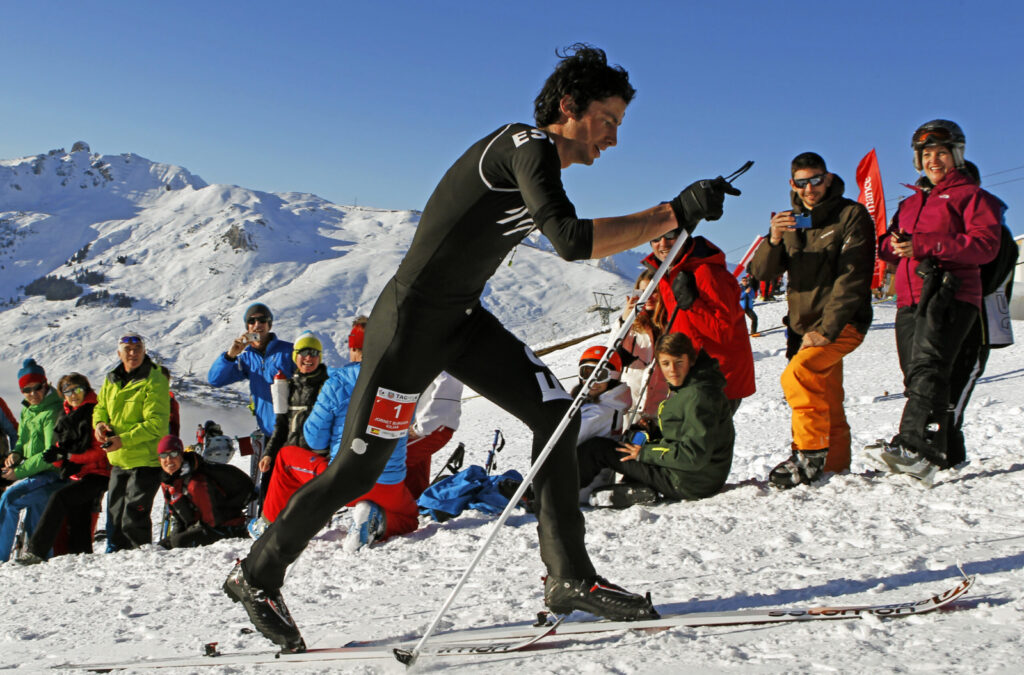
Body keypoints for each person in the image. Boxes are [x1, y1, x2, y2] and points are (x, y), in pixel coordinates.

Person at [223, 43, 741, 652]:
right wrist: (673, 212)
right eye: (608, 120)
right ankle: (256, 575)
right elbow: (570, 240)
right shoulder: (527, 145)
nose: (613, 138)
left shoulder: (540, 160)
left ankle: (569, 577)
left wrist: (674, 215)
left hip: (461, 321)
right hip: (408, 331)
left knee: (556, 416)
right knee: (357, 468)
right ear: (569, 107)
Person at [869, 121, 1002, 483]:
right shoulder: (910, 202)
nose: (934, 160)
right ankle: (944, 452)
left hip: (950, 292)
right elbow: (889, 248)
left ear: (956, 155)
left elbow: (986, 246)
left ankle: (915, 447)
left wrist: (926, 245)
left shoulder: (973, 197)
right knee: (918, 375)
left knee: (929, 368)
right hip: (909, 297)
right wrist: (892, 244)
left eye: (942, 153)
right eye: (926, 154)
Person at [750, 152, 875, 489]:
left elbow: (852, 278)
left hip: (841, 323)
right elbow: (762, 273)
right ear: (792, 184)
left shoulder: (850, 215)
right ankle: (834, 469)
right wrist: (773, 239)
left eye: (816, 180)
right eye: (802, 182)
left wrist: (825, 330)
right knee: (826, 398)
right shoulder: (791, 222)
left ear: (828, 178)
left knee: (800, 374)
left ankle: (808, 454)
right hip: (801, 328)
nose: (809, 189)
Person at [577, 333, 734, 508]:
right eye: (666, 364)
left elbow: (693, 455)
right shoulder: (690, 387)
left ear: (690, 360)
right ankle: (632, 486)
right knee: (634, 436)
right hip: (695, 476)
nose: (672, 370)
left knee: (597, 449)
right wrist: (654, 430)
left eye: (679, 362)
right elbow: (685, 433)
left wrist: (644, 453)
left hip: (688, 481)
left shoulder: (698, 396)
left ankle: (565, 492)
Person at [301, 359, 419, 553]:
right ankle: (376, 519)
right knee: (409, 519)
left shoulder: (338, 381)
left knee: (287, 458)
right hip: (388, 481)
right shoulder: (406, 380)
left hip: (344, 480)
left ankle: (273, 522)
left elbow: (315, 440)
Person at [945, 161, 1016, 467]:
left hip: (979, 324)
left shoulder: (996, 231)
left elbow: (990, 280)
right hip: (946, 320)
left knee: (960, 381)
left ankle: (948, 450)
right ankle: (943, 448)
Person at [644, 230, 755, 411]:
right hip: (690, 375)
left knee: (701, 429)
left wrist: (693, 304)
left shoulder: (707, 272)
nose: (663, 243)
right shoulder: (668, 273)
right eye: (655, 237)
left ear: (684, 236)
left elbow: (725, 332)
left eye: (670, 235)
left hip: (717, 380)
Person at [16, 373, 111, 564]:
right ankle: (81, 558)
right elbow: (62, 449)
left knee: (59, 498)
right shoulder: (66, 414)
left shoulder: (95, 412)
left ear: (85, 389)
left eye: (77, 390)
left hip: (98, 473)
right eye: (68, 391)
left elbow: (99, 452)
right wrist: (57, 458)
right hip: (76, 474)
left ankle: (36, 551)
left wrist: (67, 456)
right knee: (79, 518)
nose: (73, 395)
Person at [208, 303, 295, 509]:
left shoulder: (288, 351)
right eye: (252, 321)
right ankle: (268, 522)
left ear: (270, 324)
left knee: (293, 483)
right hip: (269, 432)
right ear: (247, 327)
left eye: (262, 320)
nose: (257, 325)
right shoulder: (246, 357)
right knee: (270, 486)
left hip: (294, 430)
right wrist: (230, 355)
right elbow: (215, 380)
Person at [248, 331, 331, 535]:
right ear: (295, 356)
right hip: (293, 459)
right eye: (303, 352)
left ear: (320, 357)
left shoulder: (328, 386)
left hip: (316, 458)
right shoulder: (290, 387)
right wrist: (268, 453)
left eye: (314, 353)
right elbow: (281, 426)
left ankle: (269, 524)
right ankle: (271, 526)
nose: (309, 357)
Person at [94, 333, 171, 550]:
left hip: (145, 460)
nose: (132, 354)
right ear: (119, 353)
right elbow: (100, 407)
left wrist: (123, 440)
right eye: (127, 350)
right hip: (119, 459)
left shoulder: (154, 379)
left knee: (133, 518)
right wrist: (99, 424)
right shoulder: (112, 378)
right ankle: (117, 562)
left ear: (144, 352)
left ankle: (141, 559)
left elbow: (156, 423)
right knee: (114, 518)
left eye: (137, 349)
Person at [0, 359, 63, 562]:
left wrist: (18, 472)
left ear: (45, 384)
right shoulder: (28, 409)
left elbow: (49, 454)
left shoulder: (52, 411)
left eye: (37, 388)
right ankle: (38, 557)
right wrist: (16, 454)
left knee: (9, 500)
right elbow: (22, 439)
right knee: (36, 515)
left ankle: (1, 557)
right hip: (36, 472)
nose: (33, 394)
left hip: (52, 473)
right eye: (27, 390)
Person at [157, 436, 253, 549]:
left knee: (178, 542)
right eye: (164, 455)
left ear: (181, 455)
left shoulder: (195, 483)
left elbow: (211, 521)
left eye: (173, 454)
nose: (168, 459)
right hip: (200, 526)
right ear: (159, 459)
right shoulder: (168, 483)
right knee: (163, 545)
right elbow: (179, 519)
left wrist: (181, 537)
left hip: (223, 527)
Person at [572, 346, 632, 503]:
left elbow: (566, 439)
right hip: (586, 476)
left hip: (583, 485)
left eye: (600, 375)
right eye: (586, 373)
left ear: (612, 377)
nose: (592, 381)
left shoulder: (601, 411)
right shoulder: (606, 403)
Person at [616, 269, 669, 425]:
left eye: (654, 292)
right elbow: (611, 352)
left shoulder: (672, 323)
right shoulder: (631, 324)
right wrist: (625, 319)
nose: (648, 297)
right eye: (643, 292)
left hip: (662, 403)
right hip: (630, 401)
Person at [404, 372, 464, 499]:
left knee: (388, 462)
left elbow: (450, 383)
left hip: (433, 425)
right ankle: (417, 504)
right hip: (417, 424)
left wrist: (423, 425)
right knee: (413, 476)